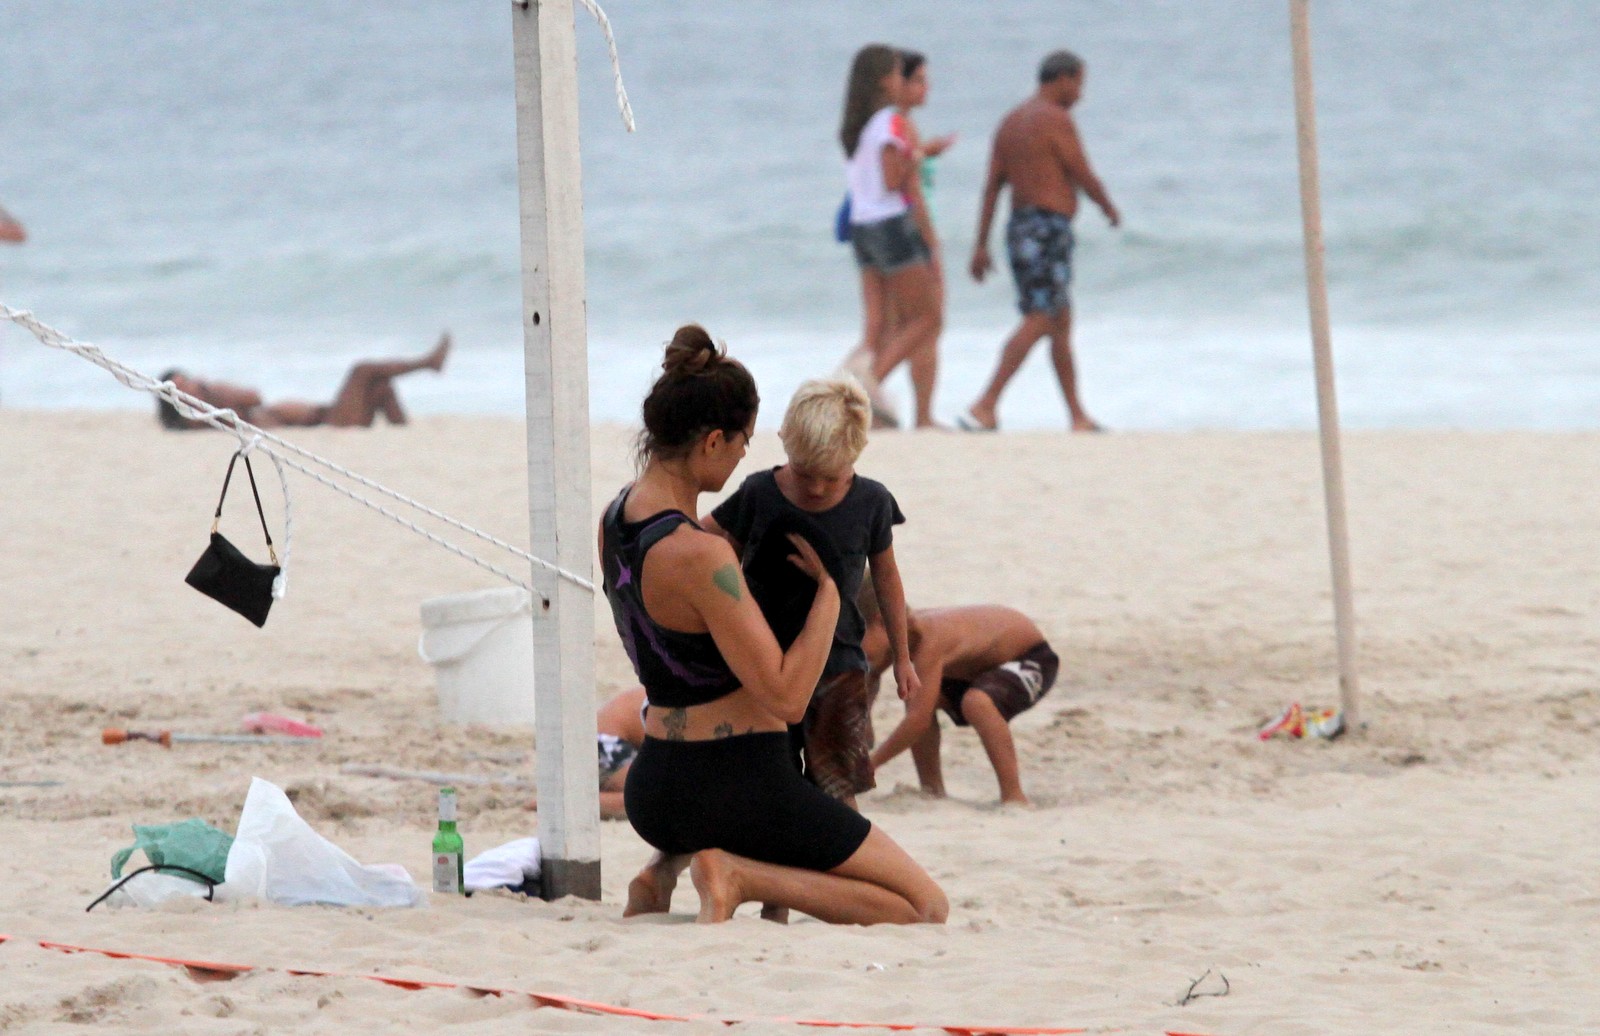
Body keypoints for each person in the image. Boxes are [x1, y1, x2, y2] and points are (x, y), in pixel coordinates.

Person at [604, 325, 944, 926]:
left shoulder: (615, 519)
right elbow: (787, 699)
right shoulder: (702, 557)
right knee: (923, 906)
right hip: (738, 785)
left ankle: (663, 870)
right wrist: (831, 600)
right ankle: (740, 875)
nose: (744, 458)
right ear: (712, 441)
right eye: (742, 442)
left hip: (654, 790)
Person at [704, 377, 919, 809]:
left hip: (838, 664)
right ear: (784, 440)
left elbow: (888, 580)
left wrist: (903, 658)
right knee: (767, 782)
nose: (818, 488)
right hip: (764, 662)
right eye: (805, 474)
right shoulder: (759, 493)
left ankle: (845, 868)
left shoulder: (872, 502)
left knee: (838, 789)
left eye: (832, 476)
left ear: (857, 453)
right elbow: (706, 544)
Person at [961, 50, 1119, 434]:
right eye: (1079, 83)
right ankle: (985, 403)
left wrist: (981, 244)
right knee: (1042, 316)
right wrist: (1107, 206)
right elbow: (1081, 170)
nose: (1081, 94)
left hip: (1019, 228)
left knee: (1060, 319)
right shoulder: (1055, 119)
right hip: (1047, 229)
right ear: (1062, 79)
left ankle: (1077, 416)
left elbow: (991, 188)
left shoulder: (1010, 122)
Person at [839, 48, 955, 431]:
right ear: (886, 81)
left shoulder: (859, 124)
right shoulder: (891, 122)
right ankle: (861, 390)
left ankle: (862, 392)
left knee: (880, 326)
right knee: (928, 317)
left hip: (863, 227)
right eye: (898, 75)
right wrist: (922, 155)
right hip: (890, 225)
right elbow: (897, 183)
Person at [862, 589, 1058, 805]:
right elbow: (869, 680)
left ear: (881, 622)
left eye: (857, 635)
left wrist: (871, 765)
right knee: (917, 694)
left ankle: (1014, 795)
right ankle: (931, 789)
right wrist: (864, 725)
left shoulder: (929, 638)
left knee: (976, 703)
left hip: (1030, 658)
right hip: (974, 670)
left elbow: (917, 721)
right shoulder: (896, 633)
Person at [155, 333, 450, 430]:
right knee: (362, 371)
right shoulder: (200, 417)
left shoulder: (213, 401)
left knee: (380, 387)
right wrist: (211, 389)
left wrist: (209, 389)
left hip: (325, 415)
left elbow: (254, 398)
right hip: (326, 424)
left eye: (187, 379)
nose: (191, 384)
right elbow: (253, 398)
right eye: (182, 386)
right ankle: (428, 363)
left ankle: (402, 433)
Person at [524, 686, 647, 820]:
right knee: (644, 799)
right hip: (605, 743)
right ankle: (555, 803)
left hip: (596, 740)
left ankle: (564, 800)